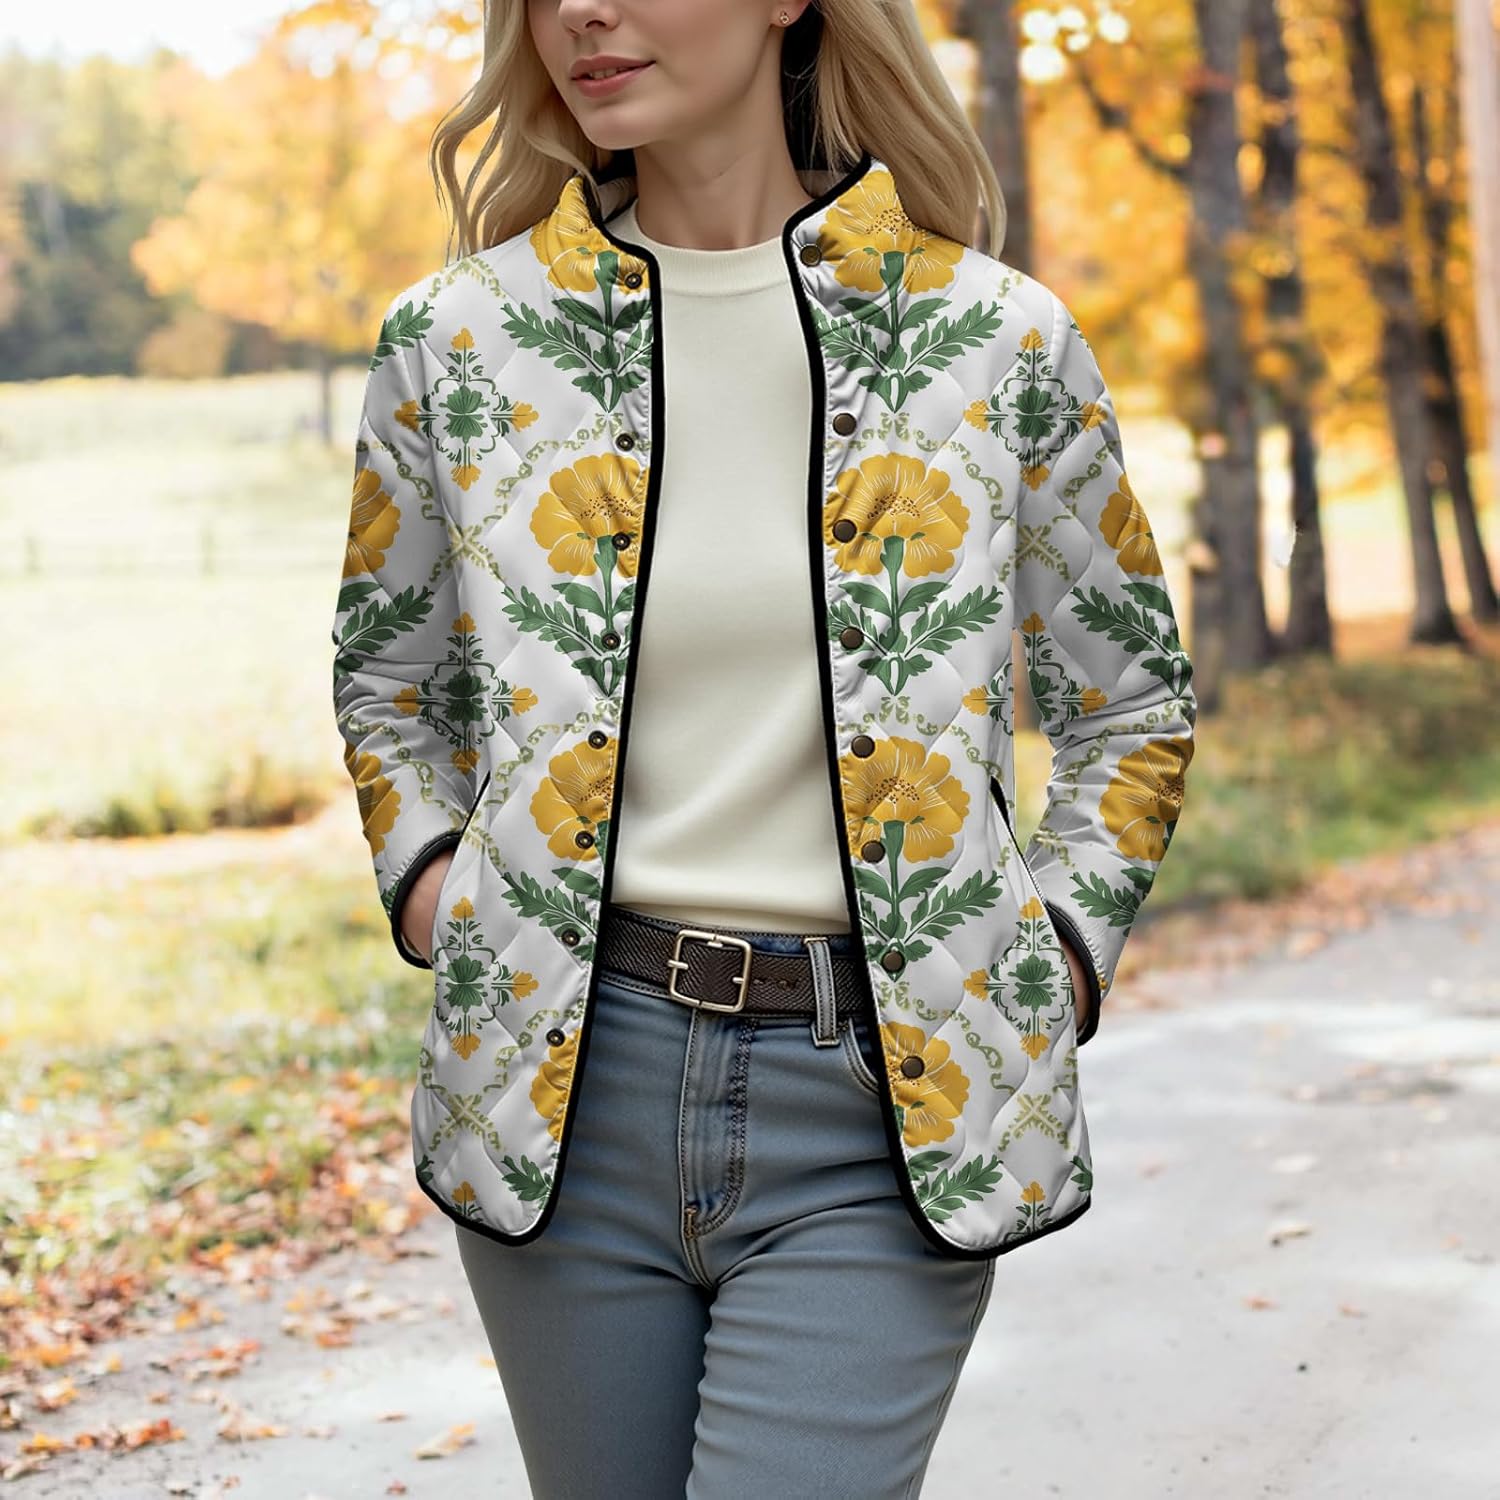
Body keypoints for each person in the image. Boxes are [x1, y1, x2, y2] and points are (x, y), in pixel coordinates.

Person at [331, 1, 1197, 1494]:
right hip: (558, 1090)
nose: (582, 12)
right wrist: (435, 896)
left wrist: (1052, 955)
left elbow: (1130, 703)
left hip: (885, 1102)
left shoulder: (996, 339)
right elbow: (389, 681)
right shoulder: (457, 341)